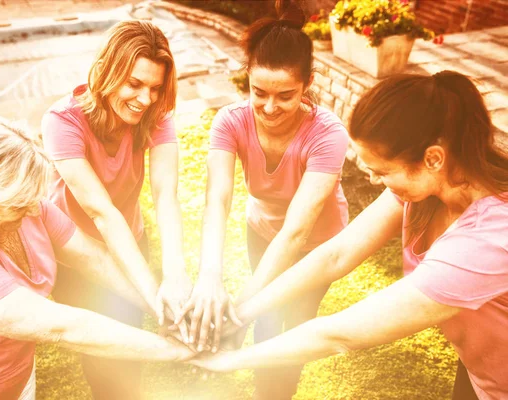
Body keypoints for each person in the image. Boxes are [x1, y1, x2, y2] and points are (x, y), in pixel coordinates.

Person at [191, 70, 508, 400]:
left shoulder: (486, 241)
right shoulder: (429, 188)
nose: (372, 179)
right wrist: (241, 313)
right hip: (480, 375)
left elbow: (338, 336)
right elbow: (335, 255)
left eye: (382, 170)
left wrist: (230, 360)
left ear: (433, 158)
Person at [0, 116, 194, 400]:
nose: (34, 211)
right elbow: (65, 329)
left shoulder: (29, 209)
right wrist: (179, 351)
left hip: (16, 382)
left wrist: (166, 311)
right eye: (19, 203)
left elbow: (96, 260)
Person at [179, 1, 350, 398]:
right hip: (261, 232)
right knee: (267, 320)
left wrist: (239, 306)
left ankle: (276, 393)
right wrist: (210, 277)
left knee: (295, 322)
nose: (270, 107)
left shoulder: (327, 134)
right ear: (248, 80)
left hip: (316, 245)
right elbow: (217, 201)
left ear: (307, 83)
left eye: (286, 95)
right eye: (259, 93)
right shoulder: (230, 121)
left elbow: (297, 230)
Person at [41, 20, 192, 399]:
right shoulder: (62, 121)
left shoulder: (155, 117)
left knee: (129, 344)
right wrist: (154, 295)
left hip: (130, 239)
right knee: (104, 355)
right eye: (135, 84)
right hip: (73, 253)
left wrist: (174, 275)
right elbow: (101, 213)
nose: (146, 99)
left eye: (156, 88)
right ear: (108, 72)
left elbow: (166, 194)